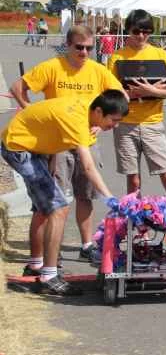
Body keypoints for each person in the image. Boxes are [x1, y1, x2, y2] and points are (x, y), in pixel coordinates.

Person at [9, 24, 123, 264]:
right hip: (58, 143)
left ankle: (86, 244)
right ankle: (48, 253)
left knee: (85, 194)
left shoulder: (97, 70)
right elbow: (18, 86)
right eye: (79, 47)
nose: (84, 53)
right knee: (53, 201)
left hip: (85, 137)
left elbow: (119, 97)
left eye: (89, 48)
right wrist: (29, 108)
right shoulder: (52, 67)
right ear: (68, 45)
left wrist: (100, 124)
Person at [0, 90, 128, 294]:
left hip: (33, 145)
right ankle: (49, 276)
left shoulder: (88, 109)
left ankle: (35, 266)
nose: (115, 126)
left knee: (45, 209)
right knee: (59, 208)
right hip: (19, 148)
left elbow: (52, 123)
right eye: (113, 120)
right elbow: (88, 167)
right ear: (98, 111)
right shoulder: (77, 120)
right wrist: (110, 198)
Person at [108, 9, 166, 197]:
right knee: (133, 182)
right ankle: (136, 223)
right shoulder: (117, 57)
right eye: (136, 31)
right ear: (128, 31)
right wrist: (135, 94)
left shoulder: (161, 55)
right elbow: (112, 95)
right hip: (125, 125)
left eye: (146, 31)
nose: (141, 36)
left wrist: (151, 91)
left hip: (153, 124)